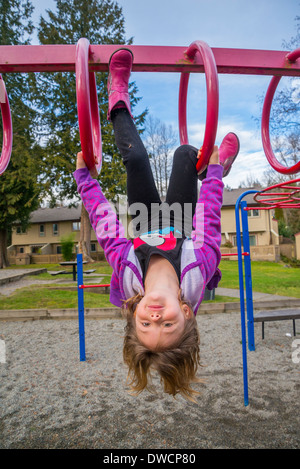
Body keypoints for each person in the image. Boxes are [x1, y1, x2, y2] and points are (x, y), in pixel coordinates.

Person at [74, 49, 240, 401]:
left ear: (135, 317)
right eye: (167, 324)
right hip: (182, 226)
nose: (155, 316)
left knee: (135, 158)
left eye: (146, 325)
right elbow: (208, 217)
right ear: (185, 313)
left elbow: (106, 227)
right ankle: (219, 166)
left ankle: (117, 95)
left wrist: (84, 179)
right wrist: (212, 173)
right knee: (183, 154)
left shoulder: (129, 274)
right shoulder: (198, 269)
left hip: (147, 221)